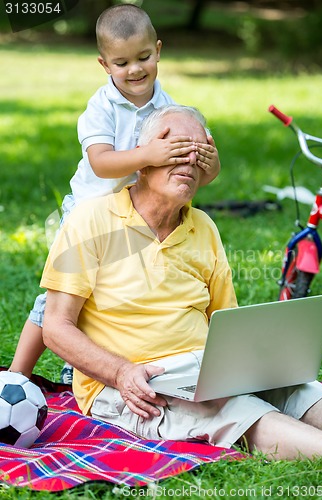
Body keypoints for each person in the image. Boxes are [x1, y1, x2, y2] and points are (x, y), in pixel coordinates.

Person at [41, 105, 322, 460]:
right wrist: (121, 372)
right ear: (144, 159)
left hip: (201, 370)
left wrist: (254, 366)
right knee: (232, 410)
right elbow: (55, 326)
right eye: (177, 149)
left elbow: (226, 320)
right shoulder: (90, 220)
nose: (190, 160)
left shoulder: (204, 226)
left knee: (299, 389)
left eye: (200, 153)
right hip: (133, 385)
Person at [9, 4, 220, 383]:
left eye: (143, 57)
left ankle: (84, 364)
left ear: (158, 50)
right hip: (88, 214)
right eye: (122, 63)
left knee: (115, 293)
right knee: (57, 299)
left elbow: (201, 176)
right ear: (105, 65)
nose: (135, 69)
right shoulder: (100, 108)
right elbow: (101, 164)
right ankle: (14, 378)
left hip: (137, 213)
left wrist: (209, 160)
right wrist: (149, 154)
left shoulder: (170, 109)